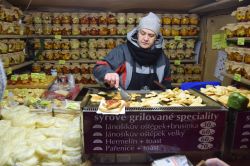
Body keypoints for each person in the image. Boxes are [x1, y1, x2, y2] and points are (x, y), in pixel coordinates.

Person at [93, 12, 171, 90]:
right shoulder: (122, 52)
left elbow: (166, 85)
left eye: (151, 35)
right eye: (143, 33)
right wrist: (107, 73)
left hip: (153, 101)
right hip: (123, 101)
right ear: (137, 33)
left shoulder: (162, 59)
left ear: (156, 38)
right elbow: (99, 67)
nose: (146, 38)